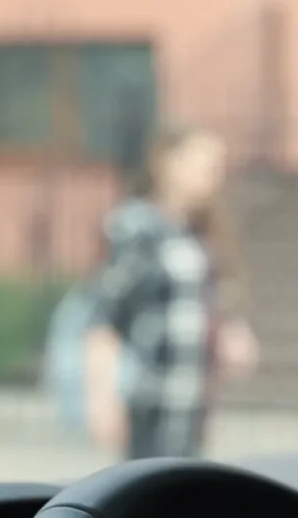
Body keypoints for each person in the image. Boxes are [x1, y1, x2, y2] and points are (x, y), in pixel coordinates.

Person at [83, 125, 259, 459]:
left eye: (216, 166)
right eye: (201, 164)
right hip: (148, 397)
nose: (212, 175)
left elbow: (209, 305)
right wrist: (101, 397)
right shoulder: (135, 229)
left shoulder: (201, 234)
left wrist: (230, 333)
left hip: (191, 397)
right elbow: (104, 317)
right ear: (166, 164)